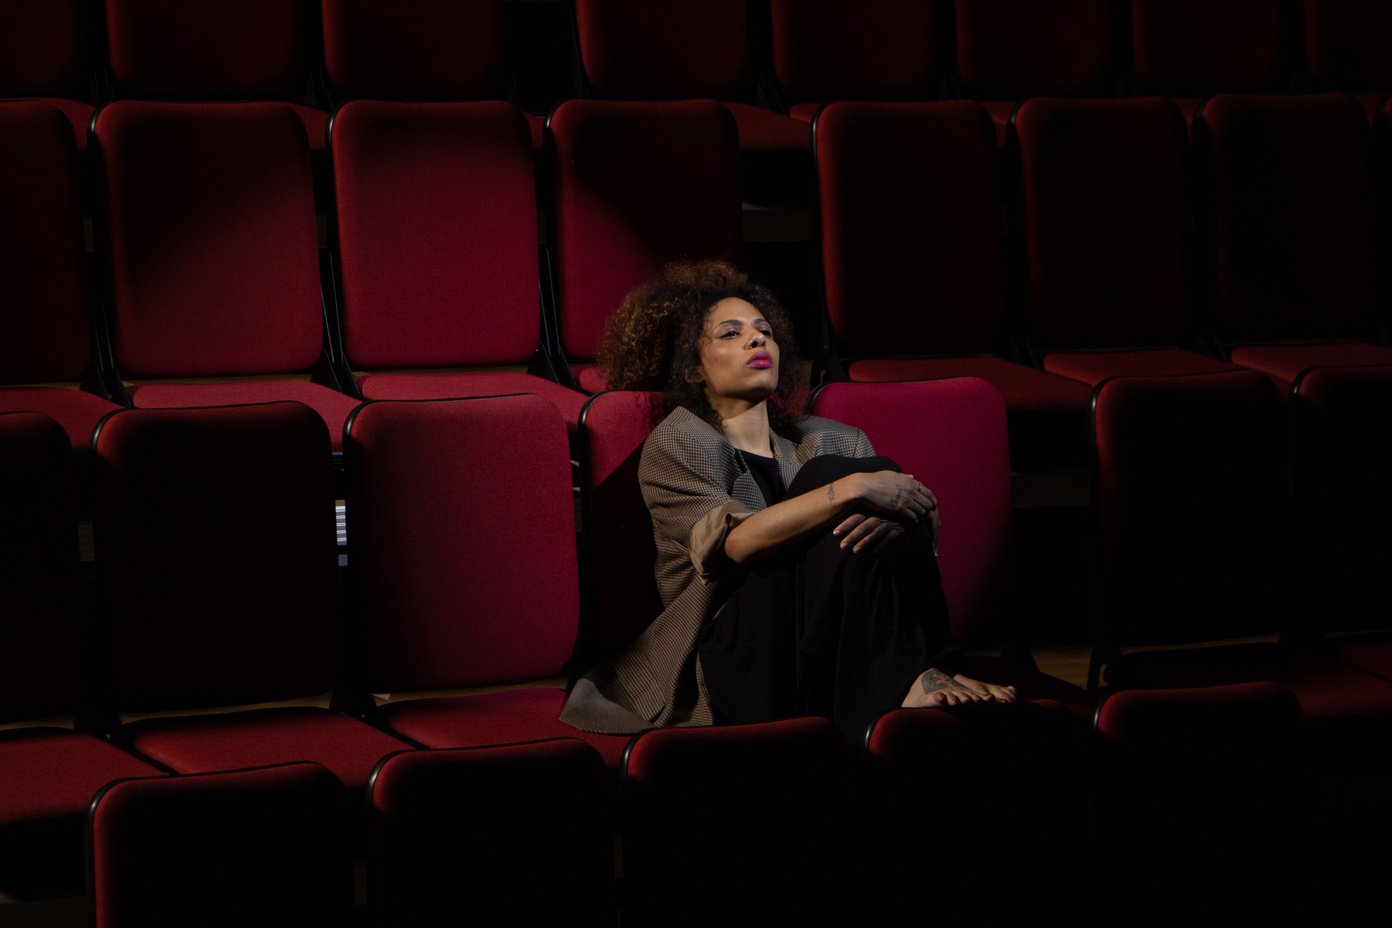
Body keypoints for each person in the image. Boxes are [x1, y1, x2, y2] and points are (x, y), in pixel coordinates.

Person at [560, 261, 1015, 739]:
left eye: (765, 331)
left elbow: (901, 537)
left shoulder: (832, 439)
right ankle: (915, 676)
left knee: (867, 475)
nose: (758, 341)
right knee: (847, 475)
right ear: (693, 367)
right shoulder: (680, 442)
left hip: (824, 643)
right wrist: (851, 490)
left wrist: (913, 511)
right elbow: (735, 545)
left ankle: (924, 671)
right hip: (733, 655)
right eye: (731, 334)